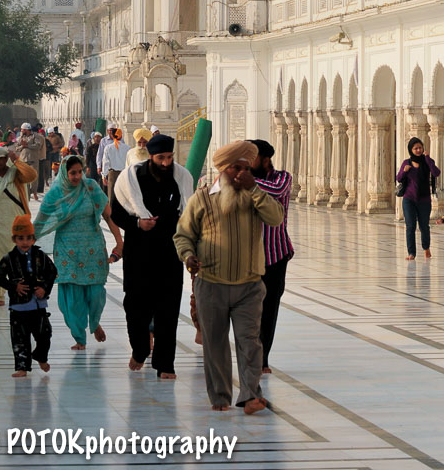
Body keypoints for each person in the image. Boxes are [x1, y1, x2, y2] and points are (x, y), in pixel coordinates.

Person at [174, 141, 283, 415]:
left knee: (250, 342)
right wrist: (188, 256)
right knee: (216, 344)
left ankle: (250, 395)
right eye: (236, 168)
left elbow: (275, 218)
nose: (241, 174)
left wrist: (254, 189)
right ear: (223, 169)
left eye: (247, 168)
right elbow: (183, 234)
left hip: (249, 284)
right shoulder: (202, 197)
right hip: (211, 283)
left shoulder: (254, 197)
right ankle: (221, 396)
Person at [112, 133, 193, 379]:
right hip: (140, 251)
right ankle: (139, 348)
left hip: (170, 251)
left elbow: (190, 213)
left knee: (168, 309)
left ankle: (165, 364)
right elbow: (117, 213)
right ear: (151, 156)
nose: (166, 163)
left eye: (169, 157)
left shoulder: (181, 177)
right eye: (161, 158)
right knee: (136, 306)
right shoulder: (130, 179)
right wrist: (138, 224)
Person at [34, 155, 123, 349]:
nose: (76, 177)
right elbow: (41, 220)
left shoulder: (90, 187)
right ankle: (79, 338)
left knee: (95, 292)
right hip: (67, 250)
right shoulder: (56, 192)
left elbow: (109, 215)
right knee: (72, 296)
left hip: (92, 247)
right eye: (72, 173)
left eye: (79, 172)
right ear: (64, 173)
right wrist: (26, 240)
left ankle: (95, 320)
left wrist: (119, 241)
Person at [248, 138, 294, 373]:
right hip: (248, 257)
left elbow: (276, 191)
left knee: (269, 307)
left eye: (251, 157)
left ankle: (262, 358)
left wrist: (248, 183)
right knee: (248, 309)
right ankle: (251, 356)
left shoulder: (282, 178)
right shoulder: (240, 180)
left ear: (265, 160)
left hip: (276, 255)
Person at [0, 213, 57, 377]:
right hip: (18, 306)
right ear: (14, 239)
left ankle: (40, 356)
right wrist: (14, 286)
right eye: (20, 238)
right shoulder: (9, 258)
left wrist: (44, 287)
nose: (25, 242)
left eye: (28, 238)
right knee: (20, 339)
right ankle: (22, 367)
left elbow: (52, 272)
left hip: (38, 305)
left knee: (45, 333)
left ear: (34, 239)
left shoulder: (40, 256)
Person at [0, 146, 37, 305]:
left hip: (16, 224)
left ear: (6, 159)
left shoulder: (15, 173)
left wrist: (17, 160)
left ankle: (21, 290)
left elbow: (32, 175)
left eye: (2, 158)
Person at [396, 136, 440, 261]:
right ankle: (411, 253)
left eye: (420, 148)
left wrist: (427, 158)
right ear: (411, 150)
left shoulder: (427, 161)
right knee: (410, 226)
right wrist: (404, 171)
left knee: (424, 226)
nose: (419, 150)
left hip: (424, 199)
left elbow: (436, 173)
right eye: (416, 148)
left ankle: (426, 247)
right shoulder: (407, 163)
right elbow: (399, 178)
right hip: (409, 199)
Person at [101, 129, 130, 204]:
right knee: (123, 195)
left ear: (112, 136)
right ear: (121, 136)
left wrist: (104, 175)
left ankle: (111, 213)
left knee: (111, 195)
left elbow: (105, 162)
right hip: (124, 174)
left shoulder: (108, 147)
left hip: (112, 173)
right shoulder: (127, 148)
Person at [17, 124, 42, 200]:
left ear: (26, 130)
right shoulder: (21, 137)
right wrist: (22, 146)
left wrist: (28, 145)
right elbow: (17, 148)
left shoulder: (35, 136)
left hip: (33, 159)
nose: (21, 131)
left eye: (22, 129)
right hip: (24, 160)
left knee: (34, 177)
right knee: (25, 177)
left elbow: (38, 146)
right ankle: (27, 194)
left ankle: (34, 192)